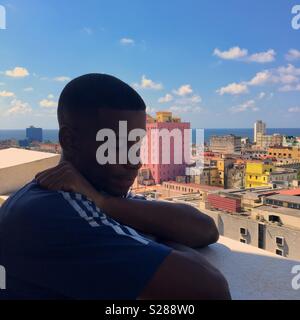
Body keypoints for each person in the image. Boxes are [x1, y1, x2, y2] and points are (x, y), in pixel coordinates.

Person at [0, 74, 231, 300]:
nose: (134, 162)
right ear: (70, 140)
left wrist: (105, 203)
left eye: (137, 146)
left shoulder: (95, 194)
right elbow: (210, 289)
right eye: (117, 146)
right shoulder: (52, 213)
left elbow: (206, 230)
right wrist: (154, 238)